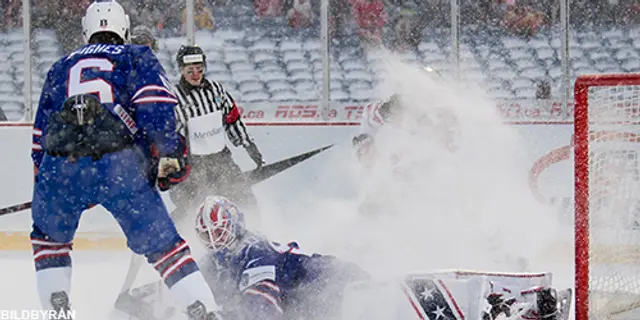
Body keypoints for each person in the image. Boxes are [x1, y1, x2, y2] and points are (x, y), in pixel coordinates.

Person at [29, 1, 221, 319]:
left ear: (87, 30)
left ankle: (56, 310)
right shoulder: (135, 56)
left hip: (60, 168)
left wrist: (55, 184)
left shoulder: (60, 66)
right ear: (125, 28)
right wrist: (167, 155)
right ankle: (202, 309)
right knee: (165, 247)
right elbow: (156, 105)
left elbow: (40, 139)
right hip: (120, 167)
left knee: (49, 241)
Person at [194, 195, 369, 320]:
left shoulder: (253, 250)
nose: (215, 241)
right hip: (308, 304)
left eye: (219, 232)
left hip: (338, 286)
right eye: (207, 236)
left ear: (235, 225)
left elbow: (263, 308)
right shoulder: (215, 263)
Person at [169, 45, 265, 223]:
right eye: (190, 71)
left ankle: (255, 230)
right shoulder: (174, 98)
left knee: (243, 197)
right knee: (194, 207)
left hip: (221, 159)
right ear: (181, 70)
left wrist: (249, 147)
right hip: (192, 164)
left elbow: (232, 119)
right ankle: (178, 240)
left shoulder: (216, 90)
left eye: (199, 69)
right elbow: (169, 136)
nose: (196, 75)